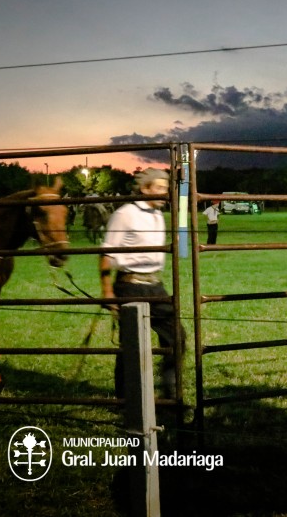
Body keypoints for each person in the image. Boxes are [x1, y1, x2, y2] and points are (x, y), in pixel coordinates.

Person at [99, 168, 183, 399]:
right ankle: (126, 397)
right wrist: (107, 290)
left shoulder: (157, 214)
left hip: (155, 284)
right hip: (130, 285)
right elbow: (106, 254)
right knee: (132, 344)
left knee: (177, 337)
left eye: (165, 188)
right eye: (159, 188)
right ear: (145, 189)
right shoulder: (125, 214)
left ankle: (170, 392)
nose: (164, 193)